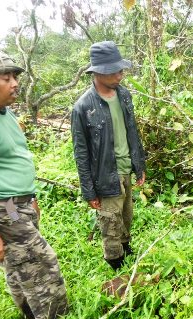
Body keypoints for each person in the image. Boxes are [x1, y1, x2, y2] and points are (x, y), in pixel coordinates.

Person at [0, 51, 68, 319]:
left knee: (18, 263)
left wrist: (31, 197)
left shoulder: (4, 113)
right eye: (6, 77)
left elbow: (13, 159)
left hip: (18, 203)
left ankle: (31, 316)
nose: (14, 83)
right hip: (3, 207)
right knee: (40, 261)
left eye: (15, 77)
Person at [71, 41, 146, 271]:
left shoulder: (124, 95)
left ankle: (126, 248)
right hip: (105, 176)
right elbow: (81, 153)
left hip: (126, 169)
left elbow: (132, 130)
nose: (121, 75)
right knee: (110, 224)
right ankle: (116, 263)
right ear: (99, 72)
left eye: (121, 69)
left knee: (126, 216)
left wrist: (139, 165)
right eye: (115, 70)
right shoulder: (83, 107)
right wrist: (89, 190)